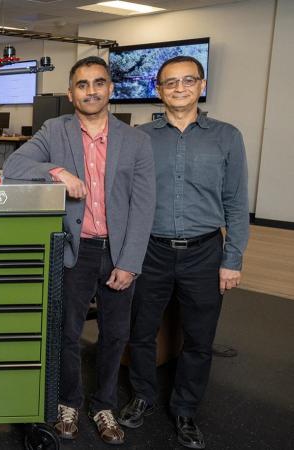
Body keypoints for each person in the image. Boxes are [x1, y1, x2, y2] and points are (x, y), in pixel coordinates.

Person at [3, 56, 155, 445]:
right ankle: (68, 402)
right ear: (71, 93)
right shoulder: (55, 130)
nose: (91, 91)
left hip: (118, 251)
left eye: (98, 82)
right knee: (67, 332)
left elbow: (143, 206)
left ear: (110, 89)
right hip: (75, 250)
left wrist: (130, 262)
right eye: (82, 85)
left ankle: (104, 405)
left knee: (115, 334)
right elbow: (14, 166)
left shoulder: (136, 140)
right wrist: (58, 172)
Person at [117, 56, 249, 450]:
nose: (179, 88)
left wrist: (232, 259)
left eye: (188, 80)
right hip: (150, 251)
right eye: (170, 82)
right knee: (141, 332)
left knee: (199, 339)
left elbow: (237, 202)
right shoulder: (139, 137)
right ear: (158, 90)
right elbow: (124, 199)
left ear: (201, 85)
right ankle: (142, 395)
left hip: (205, 253)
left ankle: (186, 409)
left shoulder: (227, 136)